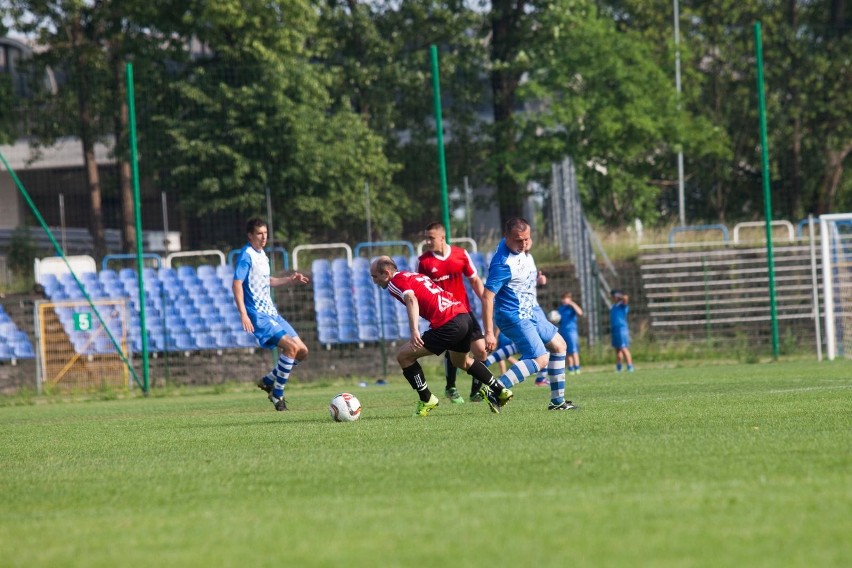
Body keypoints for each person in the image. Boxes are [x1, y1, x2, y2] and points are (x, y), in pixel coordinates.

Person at [370, 255, 512, 416]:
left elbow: (411, 299)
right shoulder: (414, 275)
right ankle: (500, 390)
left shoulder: (395, 282)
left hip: (448, 323)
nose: (374, 281)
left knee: (404, 356)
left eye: (374, 276)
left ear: (386, 274)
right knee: (461, 361)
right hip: (464, 316)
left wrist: (414, 330)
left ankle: (426, 398)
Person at [481, 218, 578, 411]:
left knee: (559, 346)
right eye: (519, 240)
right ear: (506, 237)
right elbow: (486, 297)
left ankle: (557, 402)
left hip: (531, 310)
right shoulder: (502, 263)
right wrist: (489, 332)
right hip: (513, 315)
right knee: (540, 358)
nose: (524, 244)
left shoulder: (522, 246)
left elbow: (522, 261)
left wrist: (537, 279)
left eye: (527, 239)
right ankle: (494, 390)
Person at [232, 217, 310, 411]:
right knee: (291, 348)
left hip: (272, 313)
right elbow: (236, 283)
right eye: (259, 233)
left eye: (265, 233)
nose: (264, 237)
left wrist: (290, 279)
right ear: (250, 235)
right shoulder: (246, 255)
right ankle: (277, 393)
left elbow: (268, 281)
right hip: (258, 314)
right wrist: (243, 313)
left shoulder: (262, 255)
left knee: (302, 351)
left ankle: (268, 380)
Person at [416, 222, 485, 405]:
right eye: (426, 238)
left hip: (464, 311)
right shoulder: (424, 262)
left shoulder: (460, 255)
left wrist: (486, 299)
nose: (427, 241)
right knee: (452, 350)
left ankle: (475, 392)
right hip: (444, 315)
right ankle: (451, 387)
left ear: (442, 237)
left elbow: (474, 280)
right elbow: (421, 289)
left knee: (481, 351)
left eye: (431, 238)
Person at [555, 291, 584, 375]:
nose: (564, 300)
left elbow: (580, 313)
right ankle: (570, 368)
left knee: (574, 350)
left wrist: (572, 303)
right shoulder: (560, 308)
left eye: (566, 298)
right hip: (563, 331)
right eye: (563, 298)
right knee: (566, 350)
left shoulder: (572, 308)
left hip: (572, 332)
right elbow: (558, 319)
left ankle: (577, 367)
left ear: (570, 299)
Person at [610, 289, 634, 372]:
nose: (613, 297)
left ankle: (630, 366)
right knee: (617, 349)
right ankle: (619, 367)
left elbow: (626, 298)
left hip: (621, 329)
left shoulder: (622, 305)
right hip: (615, 329)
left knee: (624, 348)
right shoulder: (613, 306)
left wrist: (619, 295)